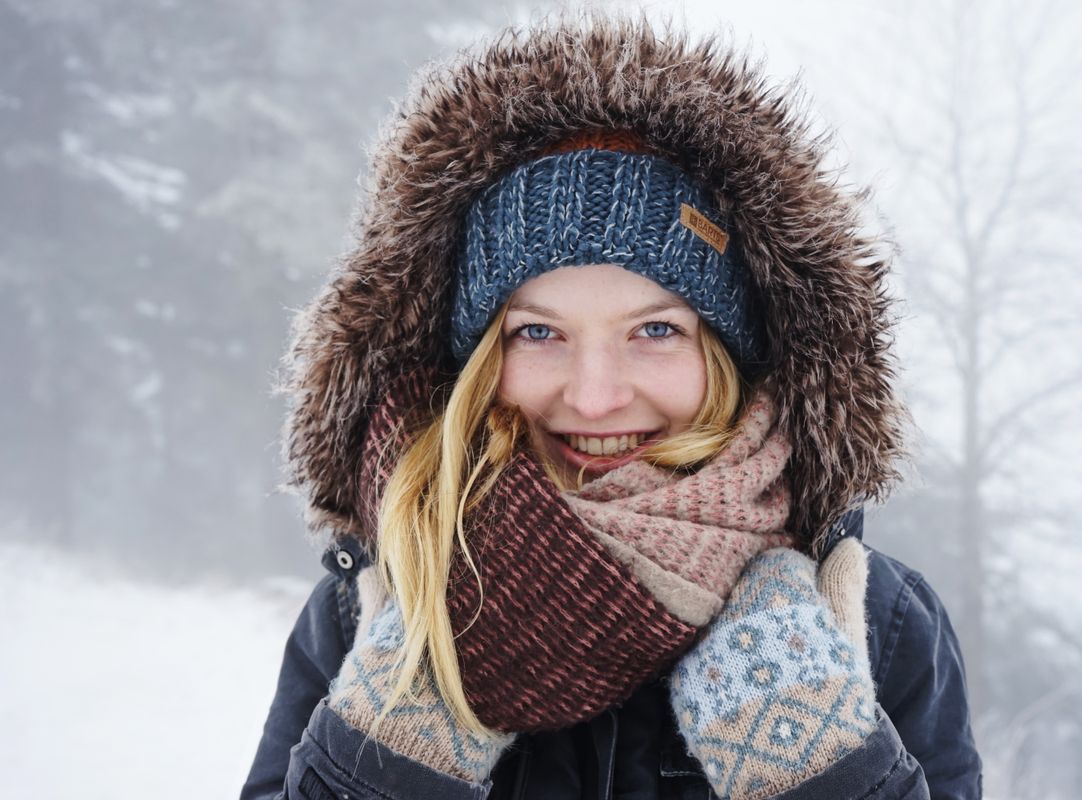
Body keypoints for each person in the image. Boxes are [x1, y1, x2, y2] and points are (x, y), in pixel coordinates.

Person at [241, 12, 983, 800]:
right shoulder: (375, 607)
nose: (594, 396)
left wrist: (820, 775)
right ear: (476, 361)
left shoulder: (875, 622)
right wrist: (388, 763)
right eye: (537, 333)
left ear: (728, 355)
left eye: (656, 330)